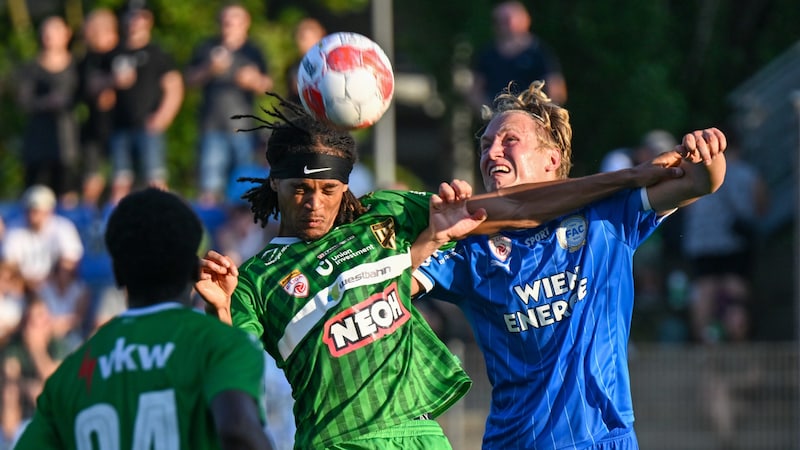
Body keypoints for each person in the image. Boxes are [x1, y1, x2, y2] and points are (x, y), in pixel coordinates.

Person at [194, 94, 687, 449]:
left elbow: (512, 207)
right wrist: (217, 310)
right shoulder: (255, 277)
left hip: (421, 433)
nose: (315, 203)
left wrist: (632, 177)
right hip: (338, 440)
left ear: (346, 186)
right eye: (301, 190)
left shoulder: (386, 214)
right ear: (275, 185)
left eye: (329, 190)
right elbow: (231, 366)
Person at [414, 80, 727, 449]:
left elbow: (699, 181)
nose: (492, 152)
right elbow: (390, 285)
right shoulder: (470, 243)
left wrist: (709, 151)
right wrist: (432, 238)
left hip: (603, 440)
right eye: (485, 146)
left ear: (552, 159)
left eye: (508, 140)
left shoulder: (603, 216)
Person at [14, 188, 274, 450]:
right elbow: (238, 430)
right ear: (193, 268)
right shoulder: (225, 346)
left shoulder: (73, 373)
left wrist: (221, 311)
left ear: (116, 274)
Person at [185, 4, 273, 204]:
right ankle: (210, 231)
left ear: (245, 24)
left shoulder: (253, 51)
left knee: (244, 187)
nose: (229, 27)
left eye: (234, 22)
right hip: (211, 125)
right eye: (225, 22)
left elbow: (267, 85)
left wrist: (252, 80)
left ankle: (242, 233)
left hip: (244, 129)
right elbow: (188, 80)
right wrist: (209, 69)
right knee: (209, 186)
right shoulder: (207, 47)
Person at [108, 7, 183, 193]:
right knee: (120, 181)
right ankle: (120, 220)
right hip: (119, 126)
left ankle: (162, 219)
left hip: (149, 126)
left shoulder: (158, 53)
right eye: (131, 18)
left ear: (148, 21)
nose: (135, 23)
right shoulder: (114, 53)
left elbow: (174, 86)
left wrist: (163, 117)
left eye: (140, 18)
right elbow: (95, 86)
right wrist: (111, 81)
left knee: (155, 179)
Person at [15, 15, 81, 201]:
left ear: (67, 34)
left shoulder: (77, 66)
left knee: (67, 195)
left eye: (55, 30)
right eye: (46, 30)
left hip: (67, 143)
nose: (49, 35)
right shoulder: (30, 68)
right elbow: (23, 101)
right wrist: (46, 102)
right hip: (37, 144)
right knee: (36, 196)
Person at [469, 1, 567, 113]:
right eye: (498, 21)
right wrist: (490, 114)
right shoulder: (486, 54)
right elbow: (475, 91)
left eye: (507, 20)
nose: (503, 25)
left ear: (524, 20)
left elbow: (556, 90)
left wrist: (540, 116)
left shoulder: (539, 53)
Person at [1, 185, 84, 294]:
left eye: (36, 211)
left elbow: (70, 262)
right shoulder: (15, 228)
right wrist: (27, 283)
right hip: (23, 286)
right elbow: (9, 264)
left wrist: (47, 282)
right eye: (30, 210)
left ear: (49, 211)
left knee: (71, 281)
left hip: (54, 285)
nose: (32, 216)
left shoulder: (63, 227)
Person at [76, 8, 120, 199]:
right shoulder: (86, 60)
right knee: (92, 177)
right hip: (93, 130)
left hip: (120, 128)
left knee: (121, 178)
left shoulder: (120, 55)